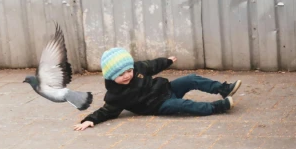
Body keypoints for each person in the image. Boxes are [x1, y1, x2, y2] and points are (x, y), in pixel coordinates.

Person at [73, 48, 242, 131]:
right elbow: (106, 111)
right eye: (121, 74)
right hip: (158, 105)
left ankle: (223, 88)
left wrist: (167, 61)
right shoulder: (115, 96)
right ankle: (217, 107)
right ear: (111, 76)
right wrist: (89, 120)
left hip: (166, 88)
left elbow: (152, 65)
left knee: (191, 79)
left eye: (129, 71)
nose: (127, 76)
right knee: (182, 105)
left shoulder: (137, 68)